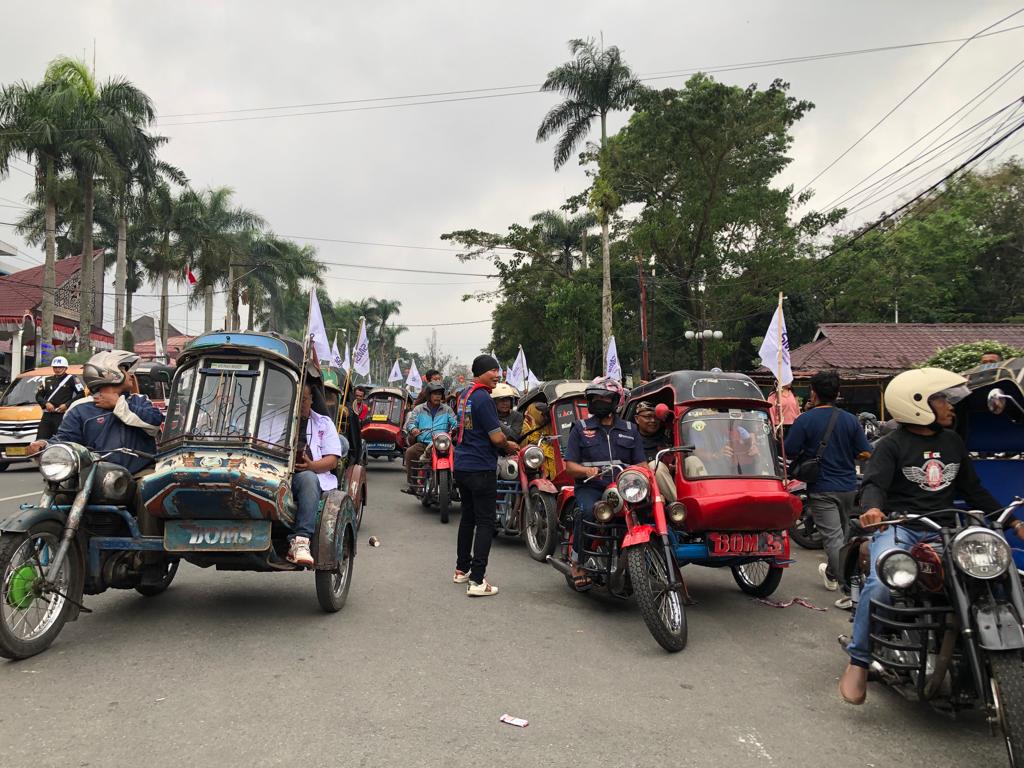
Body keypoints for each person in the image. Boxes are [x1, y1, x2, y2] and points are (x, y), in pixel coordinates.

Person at [837, 367, 1023, 705]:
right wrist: (874, 509)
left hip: (947, 530)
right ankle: (859, 660)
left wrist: (1012, 522)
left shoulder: (952, 442)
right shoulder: (891, 445)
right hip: (902, 527)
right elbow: (874, 484)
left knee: (992, 575)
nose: (950, 406)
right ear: (918, 403)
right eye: (942, 399)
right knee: (880, 584)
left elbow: (974, 489)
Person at [785, 370, 872, 596]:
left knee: (834, 540)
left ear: (813, 393)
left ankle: (850, 589)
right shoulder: (850, 420)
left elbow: (790, 450)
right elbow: (865, 452)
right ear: (837, 392)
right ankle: (833, 574)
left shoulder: (805, 420)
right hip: (848, 487)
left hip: (822, 488)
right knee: (842, 536)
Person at [564, 377, 645, 589]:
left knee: (645, 515)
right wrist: (587, 471)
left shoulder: (631, 429)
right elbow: (570, 466)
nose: (598, 402)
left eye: (604, 398)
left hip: (624, 489)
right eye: (594, 398)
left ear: (616, 401)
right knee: (588, 513)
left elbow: (641, 465)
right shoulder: (579, 428)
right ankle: (578, 562)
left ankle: (640, 563)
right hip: (591, 487)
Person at [28, 350, 162, 475]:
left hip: (139, 474)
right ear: (110, 373)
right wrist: (44, 445)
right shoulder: (80, 408)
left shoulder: (139, 401)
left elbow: (155, 423)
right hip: (95, 475)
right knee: (61, 490)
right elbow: (65, 440)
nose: (131, 375)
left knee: (151, 488)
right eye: (124, 370)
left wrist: (118, 404)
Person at [452, 354, 518, 596]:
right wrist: (509, 446)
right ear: (480, 372)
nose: (497, 375)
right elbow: (497, 437)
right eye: (493, 371)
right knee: (486, 522)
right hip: (480, 466)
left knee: (468, 518)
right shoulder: (483, 399)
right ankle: (477, 580)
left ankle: (462, 569)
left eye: (498, 371)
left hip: (462, 465)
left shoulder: (464, 395)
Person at [287, 382, 343, 567]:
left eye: (304, 399)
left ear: (311, 400)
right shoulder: (273, 418)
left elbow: (332, 461)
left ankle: (301, 541)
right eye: (296, 399)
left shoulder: (324, 423)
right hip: (274, 473)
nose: (300, 404)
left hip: (307, 476)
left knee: (308, 479)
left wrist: (311, 466)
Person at [402, 381, 457, 489]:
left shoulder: (447, 409)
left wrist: (454, 429)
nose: (437, 396)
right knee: (410, 452)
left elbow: (455, 422)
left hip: (442, 444)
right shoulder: (418, 409)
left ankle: (455, 482)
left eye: (439, 394)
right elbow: (411, 423)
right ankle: (413, 485)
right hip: (423, 443)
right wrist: (414, 429)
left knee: (457, 454)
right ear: (428, 395)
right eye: (435, 394)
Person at [634, 401, 675, 502]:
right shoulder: (631, 439)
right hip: (647, 488)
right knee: (655, 465)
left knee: (692, 460)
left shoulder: (669, 435)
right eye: (648, 417)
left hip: (677, 479)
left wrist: (677, 465)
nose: (653, 420)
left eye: (656, 417)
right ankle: (679, 505)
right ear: (637, 419)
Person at [34, 355, 84, 440]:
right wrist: (46, 403)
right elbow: (38, 396)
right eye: (55, 367)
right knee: (41, 439)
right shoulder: (46, 380)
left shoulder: (72, 378)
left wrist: (67, 405)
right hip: (47, 414)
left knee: (61, 439)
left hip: (62, 415)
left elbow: (81, 394)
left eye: (60, 367)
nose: (57, 369)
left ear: (65, 368)